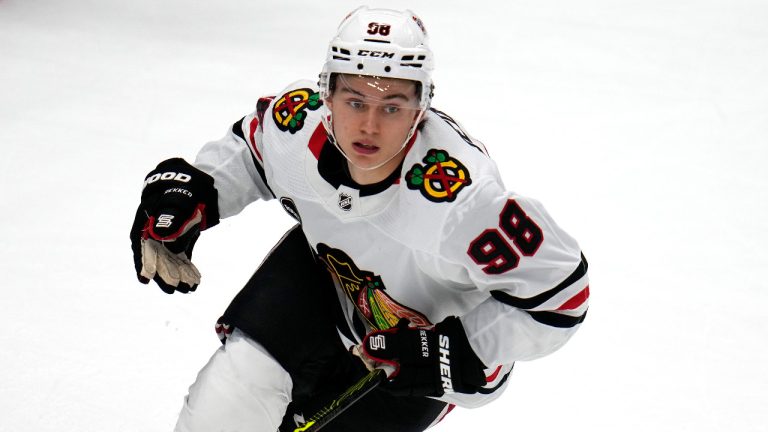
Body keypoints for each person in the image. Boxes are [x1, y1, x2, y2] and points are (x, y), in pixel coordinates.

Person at [129, 6, 590, 432]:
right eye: (354, 101)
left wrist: (459, 349)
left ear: (421, 107)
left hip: (417, 349)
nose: (369, 126)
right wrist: (193, 193)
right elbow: (252, 150)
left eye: (391, 106)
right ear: (326, 93)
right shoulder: (298, 125)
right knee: (223, 408)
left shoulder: (460, 200)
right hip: (323, 283)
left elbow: (563, 293)